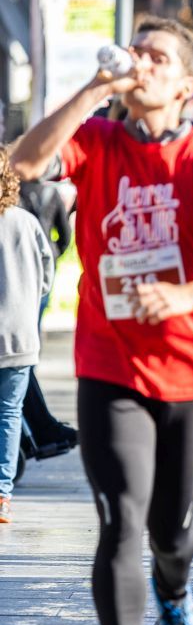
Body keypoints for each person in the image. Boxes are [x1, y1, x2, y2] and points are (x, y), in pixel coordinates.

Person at [10, 16, 193, 625]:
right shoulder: (98, 139)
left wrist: (187, 295)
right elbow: (23, 163)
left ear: (185, 85)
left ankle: (175, 589)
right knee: (120, 523)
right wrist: (91, 90)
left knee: (171, 530)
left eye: (156, 57)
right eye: (136, 53)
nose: (140, 63)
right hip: (111, 365)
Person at [1, 145, 54, 524]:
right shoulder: (25, 221)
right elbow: (46, 275)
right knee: (9, 413)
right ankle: (2, 492)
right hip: (19, 337)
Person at [16, 176, 78, 453]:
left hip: (17, 276)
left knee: (20, 360)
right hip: (37, 275)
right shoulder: (48, 194)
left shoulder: (16, 201)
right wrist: (54, 253)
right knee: (27, 346)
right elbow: (64, 236)